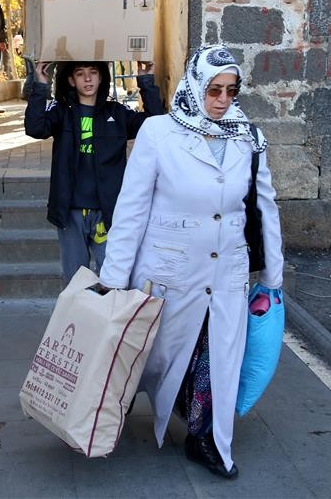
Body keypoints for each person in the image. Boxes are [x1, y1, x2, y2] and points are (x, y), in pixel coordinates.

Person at [99, 44, 284, 479]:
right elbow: (132, 209)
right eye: (214, 90)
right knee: (158, 358)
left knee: (218, 361)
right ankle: (121, 407)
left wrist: (272, 276)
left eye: (231, 91)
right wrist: (114, 278)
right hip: (169, 275)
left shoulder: (247, 137)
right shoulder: (158, 133)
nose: (222, 100)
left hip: (227, 274)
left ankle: (208, 441)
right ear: (195, 85)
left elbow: (265, 207)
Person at [24, 60, 164, 283]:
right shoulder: (61, 111)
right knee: (75, 283)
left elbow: (155, 125)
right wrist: (40, 85)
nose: (88, 79)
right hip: (71, 213)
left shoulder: (117, 113)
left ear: (101, 77)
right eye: (80, 74)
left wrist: (146, 80)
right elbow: (35, 128)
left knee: (114, 280)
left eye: (93, 72)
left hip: (108, 213)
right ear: (71, 80)